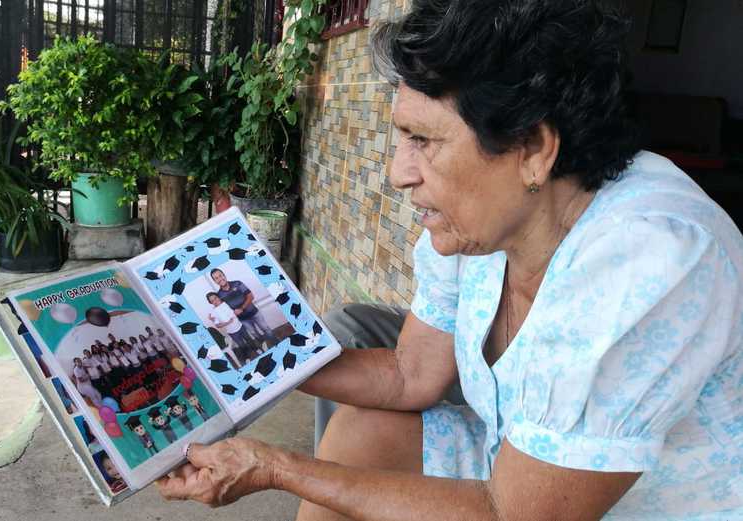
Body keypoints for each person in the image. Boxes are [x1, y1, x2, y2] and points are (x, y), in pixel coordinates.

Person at [155, 1, 743, 519]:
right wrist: (251, 360)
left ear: (533, 149)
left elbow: (511, 513)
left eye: (423, 141)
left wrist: (273, 468)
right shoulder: (480, 230)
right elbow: (411, 375)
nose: (398, 173)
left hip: (614, 505)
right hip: (511, 466)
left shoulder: (649, 256)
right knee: (362, 430)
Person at [209, 268, 280, 349]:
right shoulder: (219, 295)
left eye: (220, 276)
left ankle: (277, 343)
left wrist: (241, 308)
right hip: (242, 319)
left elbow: (250, 296)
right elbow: (220, 309)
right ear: (214, 281)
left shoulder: (237, 283)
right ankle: (265, 346)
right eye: (216, 278)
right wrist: (212, 317)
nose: (219, 279)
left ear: (224, 275)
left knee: (266, 328)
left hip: (254, 313)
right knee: (254, 333)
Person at [206, 291, 257, 361]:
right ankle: (247, 357)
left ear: (218, 297)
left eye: (215, 298)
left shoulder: (227, 302)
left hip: (240, 326)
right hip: (232, 332)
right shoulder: (213, 313)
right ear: (210, 303)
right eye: (212, 301)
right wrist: (228, 322)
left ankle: (256, 350)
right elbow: (217, 325)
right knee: (241, 344)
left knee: (249, 339)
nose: (215, 301)